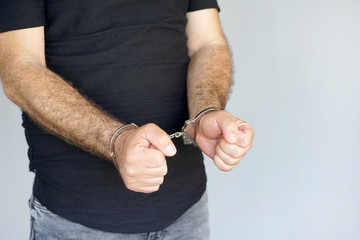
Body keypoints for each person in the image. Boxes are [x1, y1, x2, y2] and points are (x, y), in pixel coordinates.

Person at [0, 0, 254, 239]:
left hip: (187, 209)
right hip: (78, 216)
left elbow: (207, 43)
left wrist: (205, 112)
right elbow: (19, 67)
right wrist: (116, 139)